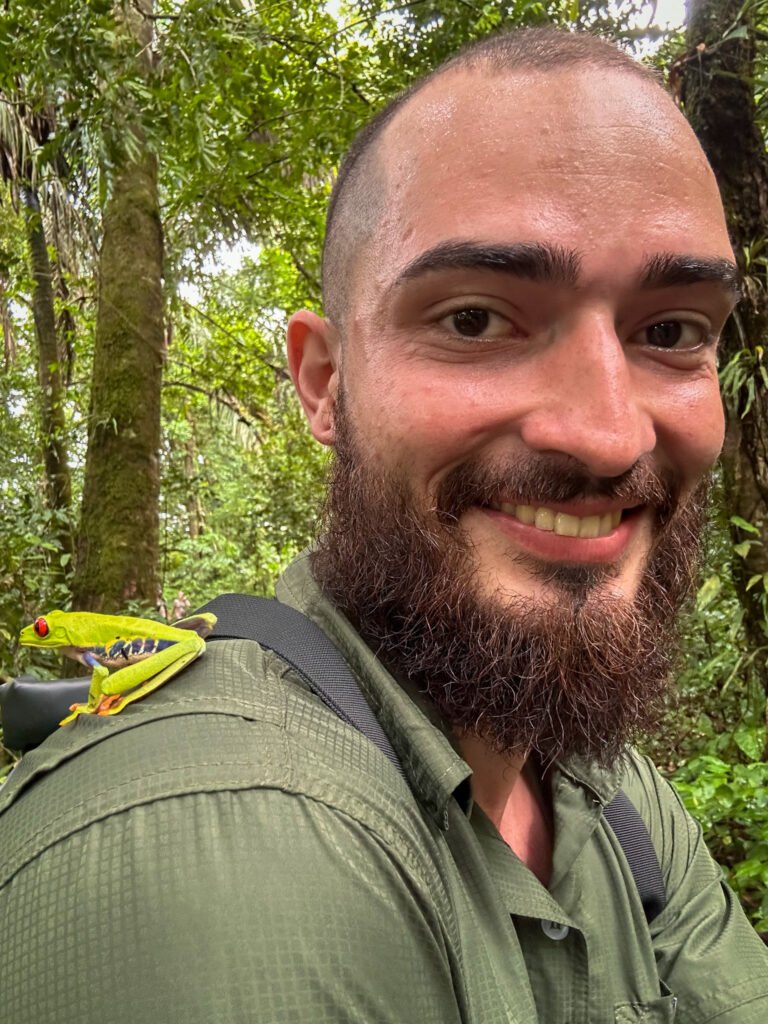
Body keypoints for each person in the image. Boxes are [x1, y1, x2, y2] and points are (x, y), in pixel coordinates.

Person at [1, 26, 767, 1024]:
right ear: (325, 384)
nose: (606, 435)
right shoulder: (223, 846)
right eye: (476, 319)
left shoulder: (602, 784)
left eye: (671, 331)